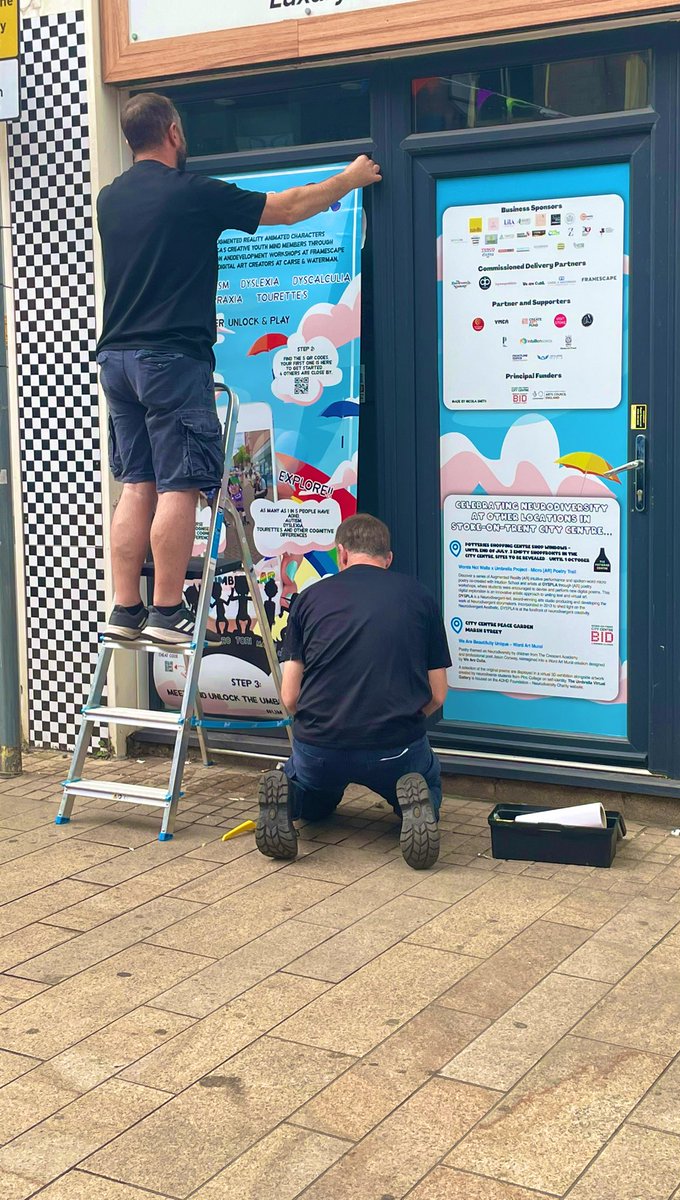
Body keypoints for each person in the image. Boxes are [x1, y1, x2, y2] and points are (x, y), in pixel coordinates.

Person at [97, 92, 381, 645]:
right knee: (179, 485)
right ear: (174, 133)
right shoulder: (191, 194)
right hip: (170, 358)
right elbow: (290, 207)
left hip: (117, 359)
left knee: (136, 485)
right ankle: (166, 613)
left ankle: (125, 611)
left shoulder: (110, 198)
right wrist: (349, 180)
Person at [256, 514, 451, 870]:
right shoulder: (420, 598)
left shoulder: (308, 600)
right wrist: (402, 718)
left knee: (315, 801)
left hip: (320, 746)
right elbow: (438, 695)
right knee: (429, 778)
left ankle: (292, 798)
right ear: (388, 559)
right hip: (395, 747)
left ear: (341, 554)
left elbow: (289, 698)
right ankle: (416, 803)